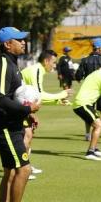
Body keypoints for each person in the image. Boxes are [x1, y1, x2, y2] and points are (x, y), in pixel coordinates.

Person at [0, 27, 41, 202]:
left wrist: (26, 115)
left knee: (11, 171)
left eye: (23, 39)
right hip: (5, 128)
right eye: (19, 40)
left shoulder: (12, 64)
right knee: (24, 170)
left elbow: (11, 97)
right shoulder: (2, 63)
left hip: (14, 124)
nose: (23, 42)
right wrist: (27, 108)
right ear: (7, 44)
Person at [20, 50, 72, 179]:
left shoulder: (38, 70)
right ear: (46, 61)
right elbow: (39, 95)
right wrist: (61, 94)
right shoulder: (36, 70)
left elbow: (37, 97)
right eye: (53, 63)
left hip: (24, 106)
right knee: (27, 135)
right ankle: (22, 169)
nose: (54, 66)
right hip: (18, 107)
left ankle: (26, 166)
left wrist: (57, 101)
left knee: (29, 135)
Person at [75, 38, 101, 143]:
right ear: (99, 48)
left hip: (89, 92)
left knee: (89, 113)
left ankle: (88, 134)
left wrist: (79, 79)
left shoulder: (85, 60)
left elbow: (78, 75)